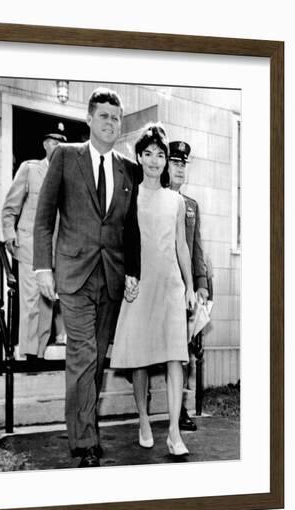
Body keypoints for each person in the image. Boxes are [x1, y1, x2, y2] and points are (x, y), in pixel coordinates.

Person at [33, 88, 141, 467]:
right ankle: (83, 442)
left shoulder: (129, 169)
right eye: (104, 116)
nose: (111, 123)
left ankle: (86, 425)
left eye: (116, 117)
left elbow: (130, 228)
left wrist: (132, 271)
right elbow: (44, 217)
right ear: (90, 119)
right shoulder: (65, 157)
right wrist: (42, 267)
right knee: (83, 355)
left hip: (110, 278)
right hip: (73, 273)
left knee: (96, 361)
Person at [110, 123, 196, 456]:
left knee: (176, 356)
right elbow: (120, 242)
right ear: (139, 157)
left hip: (171, 286)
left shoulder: (175, 200)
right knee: (141, 359)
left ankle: (174, 432)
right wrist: (127, 277)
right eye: (148, 154)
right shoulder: (129, 195)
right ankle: (144, 419)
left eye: (161, 155)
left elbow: (181, 245)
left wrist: (189, 286)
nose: (155, 161)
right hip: (141, 286)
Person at [2, 125, 67, 359]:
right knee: (29, 300)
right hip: (29, 243)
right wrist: (9, 233)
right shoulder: (29, 170)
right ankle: (28, 353)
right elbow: (10, 206)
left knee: (46, 302)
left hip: (52, 249)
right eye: (53, 141)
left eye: (61, 143)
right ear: (45, 144)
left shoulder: (65, 176)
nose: (57, 146)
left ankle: (39, 353)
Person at [169, 140, 209, 432]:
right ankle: (145, 407)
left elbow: (196, 249)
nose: (180, 168)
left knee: (184, 352)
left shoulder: (191, 205)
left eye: (183, 163)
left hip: (183, 292)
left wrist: (201, 285)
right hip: (157, 288)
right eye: (175, 162)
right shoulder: (150, 198)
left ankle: (181, 409)